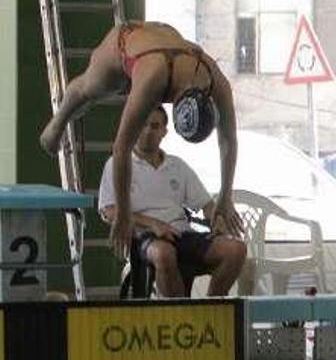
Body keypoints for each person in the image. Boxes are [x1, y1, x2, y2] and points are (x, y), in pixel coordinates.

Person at [39, 21, 241, 257]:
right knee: (92, 90)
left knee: (108, 94)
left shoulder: (217, 82)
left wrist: (226, 196)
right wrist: (124, 214)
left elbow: (229, 140)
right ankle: (56, 124)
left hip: (166, 37)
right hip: (129, 43)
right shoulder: (153, 77)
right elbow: (122, 147)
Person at [98, 107, 246, 297]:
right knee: (164, 253)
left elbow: (206, 205)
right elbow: (108, 211)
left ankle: (212, 306)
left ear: (164, 132)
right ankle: (180, 317)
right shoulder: (118, 164)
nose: (148, 131)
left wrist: (216, 219)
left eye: (154, 126)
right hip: (144, 236)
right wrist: (153, 223)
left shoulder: (177, 165)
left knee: (236, 249)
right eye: (142, 125)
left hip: (181, 233)